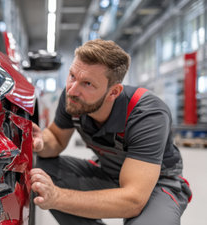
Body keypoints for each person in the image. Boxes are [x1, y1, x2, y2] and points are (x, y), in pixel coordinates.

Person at [30, 39, 191, 225]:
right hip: (108, 172)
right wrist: (41, 141)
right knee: (38, 171)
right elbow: (56, 140)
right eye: (72, 76)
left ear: (113, 92)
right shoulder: (74, 99)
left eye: (88, 83)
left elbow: (133, 200)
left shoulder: (147, 114)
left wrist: (57, 197)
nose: (73, 90)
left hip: (156, 184)